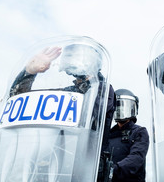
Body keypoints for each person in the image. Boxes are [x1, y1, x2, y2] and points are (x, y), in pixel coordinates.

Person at [10, 45, 116, 181]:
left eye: (77, 56)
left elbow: (94, 113)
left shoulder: (102, 90)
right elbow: (19, 100)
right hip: (53, 168)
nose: (72, 60)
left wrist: (90, 79)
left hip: (84, 171)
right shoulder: (69, 91)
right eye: (69, 56)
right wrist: (29, 72)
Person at [107, 89, 150, 182]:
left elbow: (136, 158)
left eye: (125, 107)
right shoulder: (108, 134)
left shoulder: (139, 132)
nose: (120, 110)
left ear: (133, 109)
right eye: (118, 106)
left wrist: (112, 170)